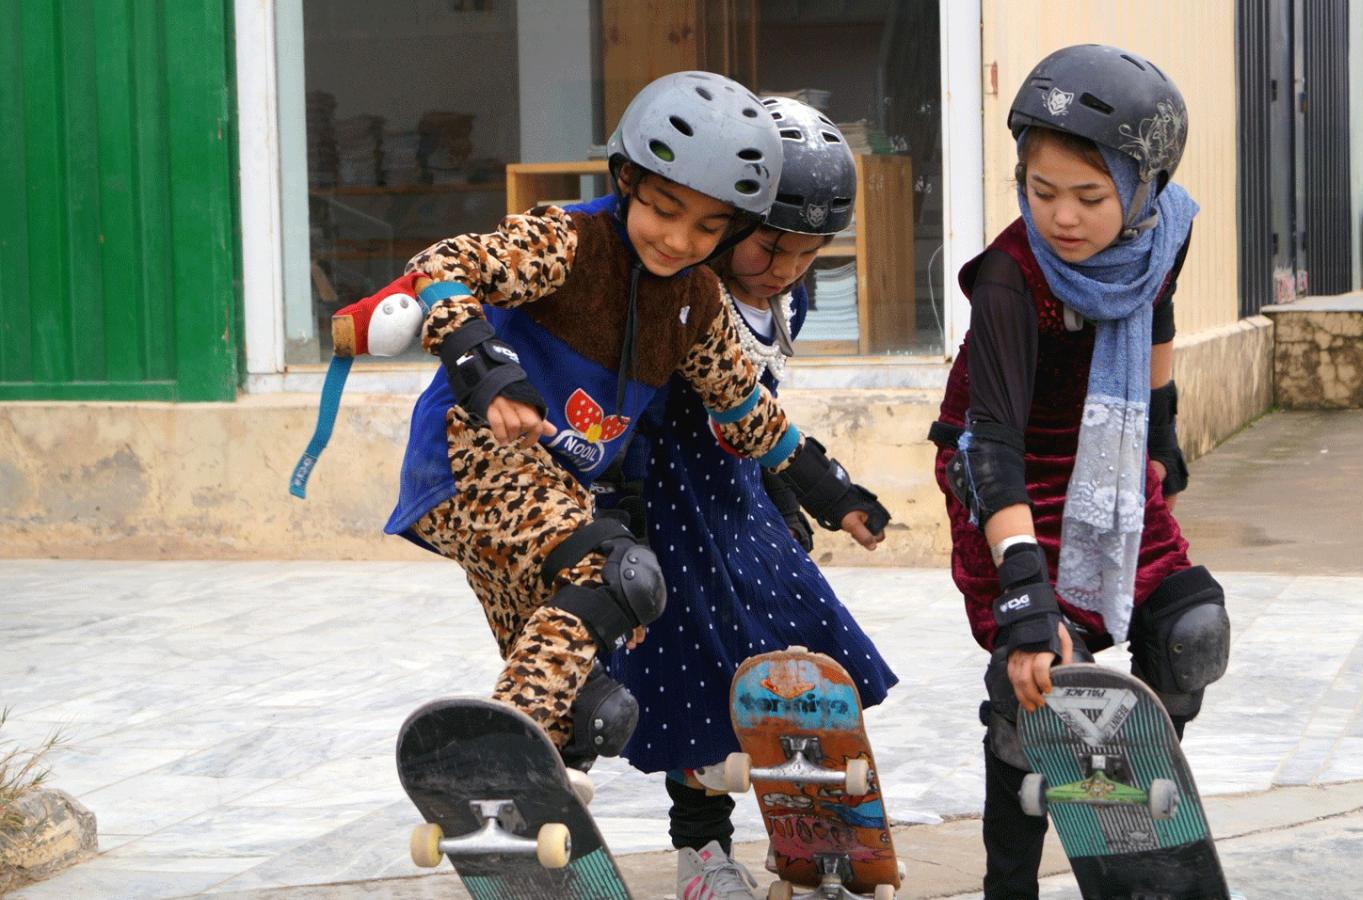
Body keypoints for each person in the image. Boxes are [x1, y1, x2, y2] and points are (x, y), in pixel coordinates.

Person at [325, 72, 890, 792]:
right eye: (664, 210)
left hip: (549, 490)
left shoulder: (697, 301)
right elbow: (444, 266)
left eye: (709, 228)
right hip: (477, 463)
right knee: (618, 574)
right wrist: (481, 362)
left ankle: (540, 802)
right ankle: (502, 762)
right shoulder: (571, 239)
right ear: (627, 178)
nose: (680, 240)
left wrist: (824, 485)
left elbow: (745, 408)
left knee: (593, 702)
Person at [927, 45, 1230, 897]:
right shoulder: (1008, 282)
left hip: (1108, 456)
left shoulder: (1164, 230)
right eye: (1040, 190)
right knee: (1036, 683)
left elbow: (1156, 311)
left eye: (1090, 197)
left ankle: (1121, 809)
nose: (1061, 216)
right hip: (1001, 469)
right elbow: (987, 445)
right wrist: (1024, 596)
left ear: (1145, 189)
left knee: (1191, 633)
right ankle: (1008, 883)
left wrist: (1164, 434)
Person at [601, 97, 899, 899]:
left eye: (808, 255)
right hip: (661, 506)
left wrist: (799, 484)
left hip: (737, 499)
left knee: (797, 667)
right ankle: (702, 856)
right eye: (770, 247)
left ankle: (815, 842)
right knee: (698, 686)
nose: (785, 271)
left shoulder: (782, 297)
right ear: (729, 218)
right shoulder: (672, 293)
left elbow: (757, 407)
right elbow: (632, 418)